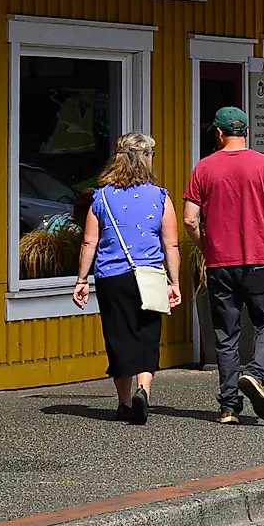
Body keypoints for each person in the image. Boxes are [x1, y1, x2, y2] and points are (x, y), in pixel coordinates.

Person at [183, 107, 264, 424]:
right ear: (245, 132)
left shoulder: (204, 168)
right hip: (259, 260)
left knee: (226, 335)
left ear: (219, 133)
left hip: (220, 264)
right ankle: (257, 375)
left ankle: (228, 407)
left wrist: (207, 246)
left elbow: (190, 219)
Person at [71, 133, 181, 424]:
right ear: (146, 159)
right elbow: (171, 244)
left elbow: (88, 243)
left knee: (118, 336)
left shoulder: (101, 196)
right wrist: (175, 282)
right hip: (150, 275)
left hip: (112, 276)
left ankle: (123, 402)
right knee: (147, 335)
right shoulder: (160, 197)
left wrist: (82, 279)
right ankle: (143, 390)